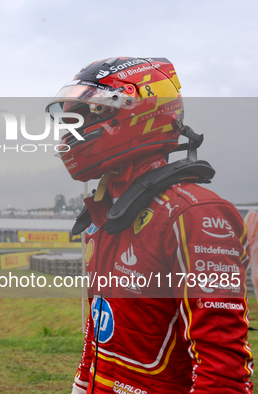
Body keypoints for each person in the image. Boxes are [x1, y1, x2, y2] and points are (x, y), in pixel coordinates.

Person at [46, 57, 253, 393]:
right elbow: (100, 323)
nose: (75, 130)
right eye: (73, 118)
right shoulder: (104, 215)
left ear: (140, 111)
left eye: (90, 114)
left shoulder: (194, 214)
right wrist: (83, 383)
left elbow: (223, 366)